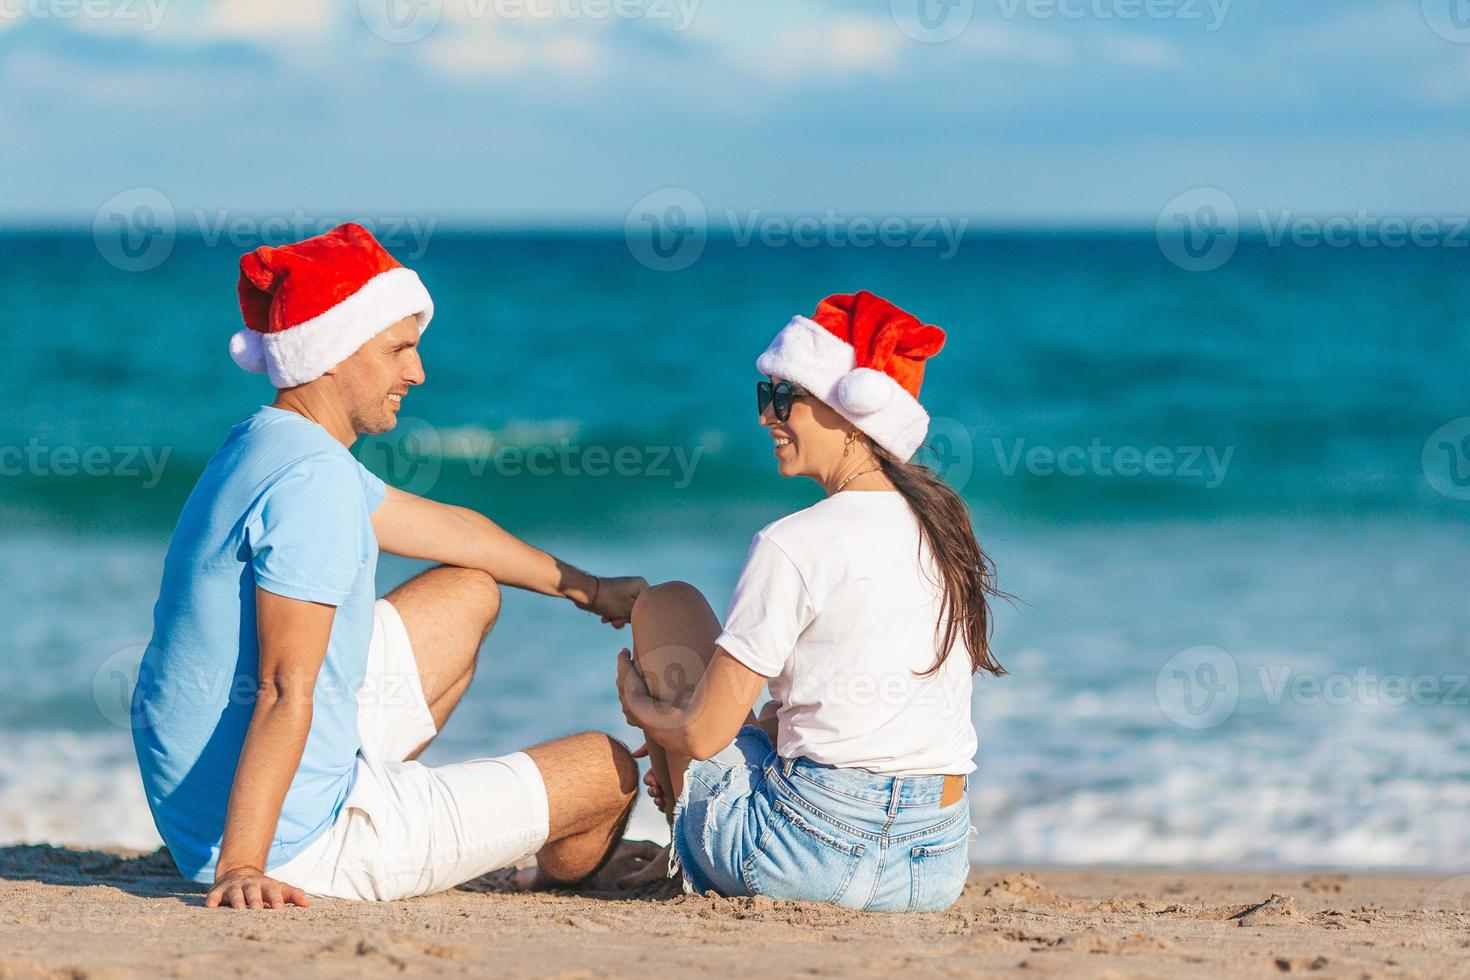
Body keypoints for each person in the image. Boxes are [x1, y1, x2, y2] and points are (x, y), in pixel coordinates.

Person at [133, 223, 651, 910]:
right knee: (607, 771)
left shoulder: (269, 441)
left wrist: (589, 588)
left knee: (468, 591)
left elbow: (457, 532)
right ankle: (536, 874)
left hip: (196, 806)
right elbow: (284, 687)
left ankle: (373, 799)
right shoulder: (313, 486)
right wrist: (243, 865)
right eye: (399, 350)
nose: (418, 372)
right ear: (334, 352)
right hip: (299, 840)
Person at [616, 291, 1005, 912]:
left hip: (803, 855)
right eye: (764, 396)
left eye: (783, 398)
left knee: (666, 603)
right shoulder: (944, 531)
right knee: (755, 719)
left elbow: (705, 733)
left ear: (852, 411)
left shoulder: (792, 542)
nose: (766, 417)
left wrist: (647, 711)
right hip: (932, 867)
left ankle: (680, 857)